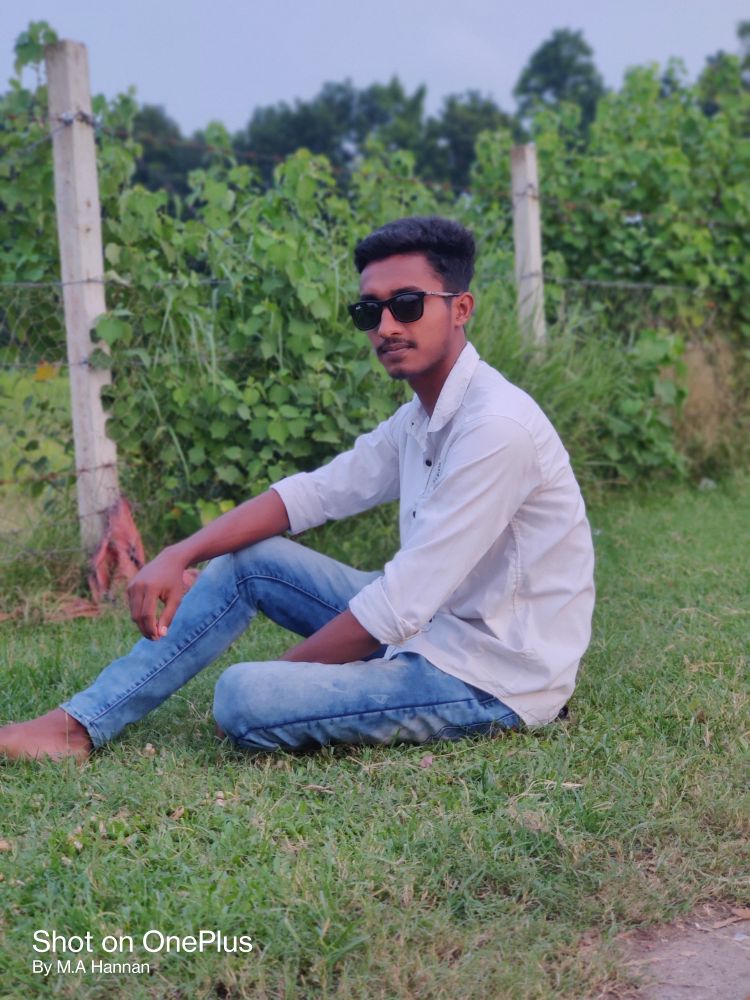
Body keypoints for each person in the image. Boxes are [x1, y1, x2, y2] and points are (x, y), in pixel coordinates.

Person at [0, 216, 595, 762]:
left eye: (408, 305)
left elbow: (398, 605)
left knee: (245, 695)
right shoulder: (420, 417)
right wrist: (180, 553)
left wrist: (290, 679)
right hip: (433, 630)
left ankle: (285, 694)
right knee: (250, 561)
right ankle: (79, 724)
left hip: (492, 675)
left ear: (460, 308)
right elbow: (313, 494)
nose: (386, 327)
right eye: (369, 312)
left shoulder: (495, 428)